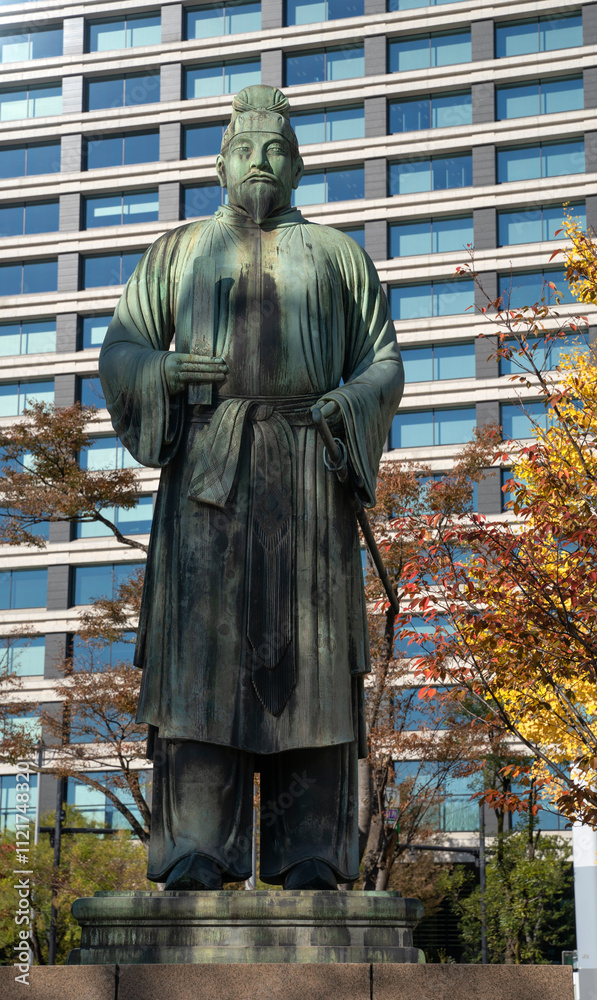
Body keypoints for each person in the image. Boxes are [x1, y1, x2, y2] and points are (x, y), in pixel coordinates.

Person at [99, 85, 404, 891]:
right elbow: (121, 346)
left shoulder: (340, 255)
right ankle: (197, 848)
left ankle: (313, 852)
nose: (261, 162)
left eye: (277, 149)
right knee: (201, 665)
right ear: (222, 161)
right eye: (247, 148)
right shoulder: (179, 251)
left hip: (308, 471)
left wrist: (348, 403)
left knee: (313, 668)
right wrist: (161, 370)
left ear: (298, 164)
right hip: (209, 469)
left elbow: (384, 362)